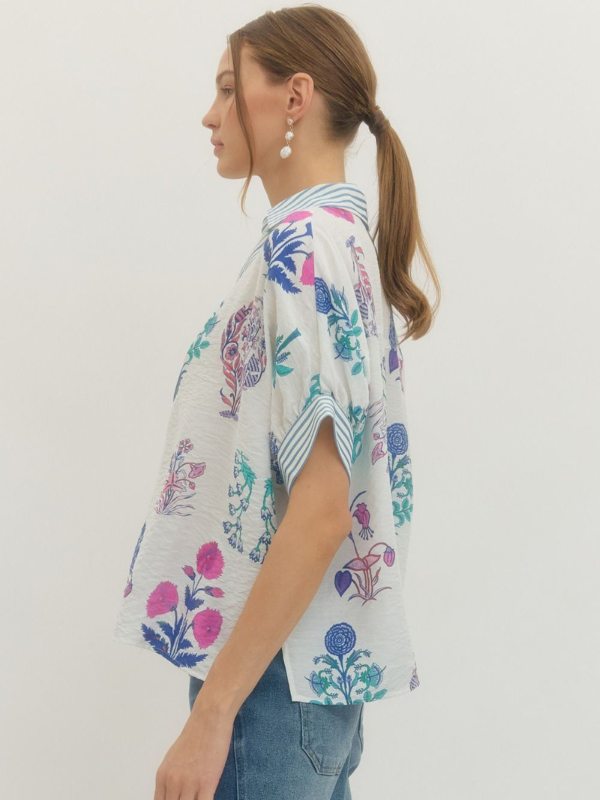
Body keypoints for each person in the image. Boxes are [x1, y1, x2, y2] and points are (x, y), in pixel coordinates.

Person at [113, 5, 440, 799]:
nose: (210, 113)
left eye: (230, 88)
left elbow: (323, 509)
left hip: (267, 689)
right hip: (301, 686)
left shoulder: (307, 251)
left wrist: (213, 711)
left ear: (295, 97)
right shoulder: (339, 243)